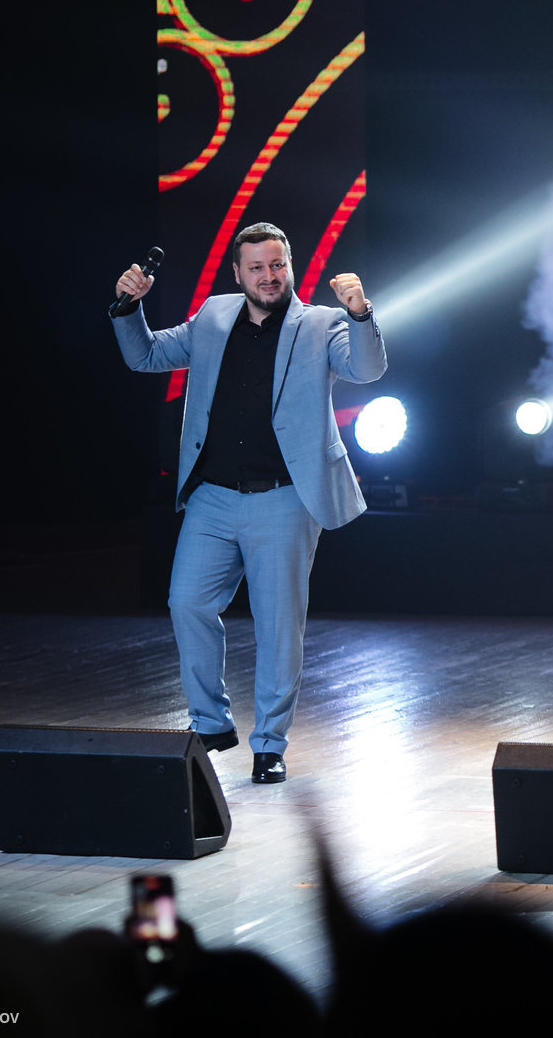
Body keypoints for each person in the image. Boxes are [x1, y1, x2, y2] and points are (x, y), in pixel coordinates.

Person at [111, 222, 385, 784]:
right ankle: (210, 724)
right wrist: (127, 308)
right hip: (211, 497)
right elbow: (147, 357)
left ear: (291, 267)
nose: (268, 276)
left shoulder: (321, 323)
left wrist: (360, 313)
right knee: (186, 602)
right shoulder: (214, 316)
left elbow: (366, 369)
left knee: (278, 628)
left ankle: (269, 745)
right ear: (238, 273)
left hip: (283, 498)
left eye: (277, 265)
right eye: (256, 267)